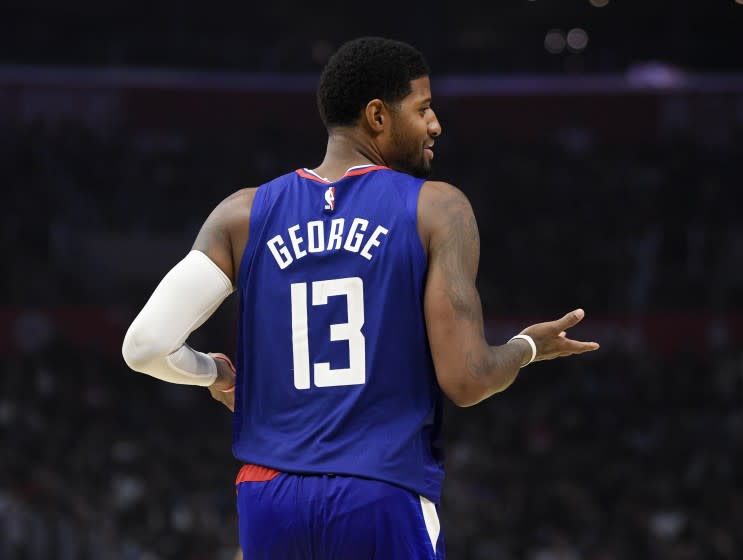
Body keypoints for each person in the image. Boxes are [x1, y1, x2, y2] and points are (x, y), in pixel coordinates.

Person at [122, 37, 599, 559]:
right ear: (377, 115)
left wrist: (215, 374)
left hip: (268, 498)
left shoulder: (242, 215)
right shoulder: (437, 208)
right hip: (378, 490)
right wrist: (527, 347)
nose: (436, 124)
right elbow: (468, 380)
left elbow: (145, 346)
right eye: (423, 109)